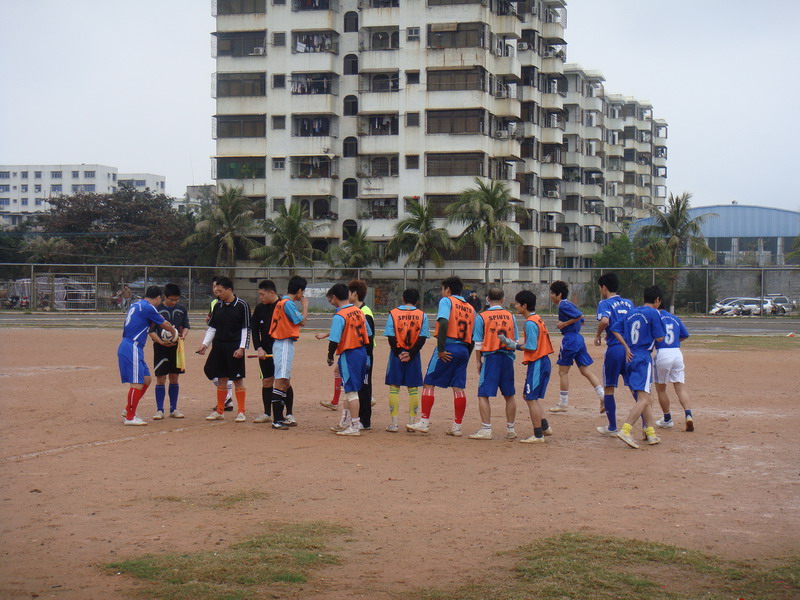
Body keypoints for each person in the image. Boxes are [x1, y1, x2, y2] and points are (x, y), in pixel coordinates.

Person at [407, 275, 475, 436]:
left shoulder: (447, 301)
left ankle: (424, 422)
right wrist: (466, 354)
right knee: (458, 388)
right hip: (464, 349)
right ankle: (457, 427)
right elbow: (473, 336)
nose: (441, 292)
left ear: (448, 290)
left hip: (448, 345)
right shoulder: (471, 308)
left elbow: (443, 322)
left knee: (429, 382)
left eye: (442, 289)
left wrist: (441, 348)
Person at [608, 285, 666, 449]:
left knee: (644, 397)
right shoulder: (654, 313)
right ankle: (626, 430)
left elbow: (614, 329)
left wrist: (626, 346)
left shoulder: (631, 312)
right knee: (644, 399)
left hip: (630, 356)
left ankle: (650, 432)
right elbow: (660, 338)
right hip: (643, 357)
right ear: (657, 300)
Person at [498, 290, 555, 443]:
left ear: (524, 305)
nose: (515, 306)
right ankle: (545, 427)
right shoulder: (536, 319)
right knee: (528, 396)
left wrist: (513, 345)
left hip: (538, 363)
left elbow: (531, 346)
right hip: (541, 362)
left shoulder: (530, 322)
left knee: (531, 398)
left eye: (517, 303)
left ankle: (538, 435)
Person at [117, 286, 179, 426]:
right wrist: (174, 332)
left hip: (133, 346)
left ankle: (128, 409)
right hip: (132, 345)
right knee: (137, 383)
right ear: (158, 298)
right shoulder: (148, 307)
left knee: (146, 380)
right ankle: (130, 417)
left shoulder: (137, 305)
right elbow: (164, 324)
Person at [197, 276, 251, 422]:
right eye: (216, 290)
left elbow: (246, 329)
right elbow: (212, 327)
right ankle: (220, 410)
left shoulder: (242, 305)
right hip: (219, 346)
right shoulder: (217, 305)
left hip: (234, 347)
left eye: (220, 291)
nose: (217, 293)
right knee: (221, 379)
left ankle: (241, 412)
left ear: (229, 290)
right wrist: (205, 344)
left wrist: (242, 348)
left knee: (238, 379)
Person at [468, 288, 519, 441]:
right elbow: (515, 340)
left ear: (488, 299)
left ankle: (486, 429)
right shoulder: (511, 316)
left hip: (491, 358)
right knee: (509, 394)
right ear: (503, 300)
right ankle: (511, 429)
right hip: (507, 358)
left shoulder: (482, 316)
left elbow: (478, 343)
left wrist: (478, 361)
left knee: (483, 394)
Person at [548, 280, 604, 413]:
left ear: (559, 295)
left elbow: (580, 316)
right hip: (578, 339)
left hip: (570, 339)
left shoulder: (563, 305)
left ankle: (563, 403)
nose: (551, 296)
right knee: (585, 370)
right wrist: (570, 323)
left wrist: (564, 324)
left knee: (563, 372)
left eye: (552, 293)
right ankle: (603, 396)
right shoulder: (570, 304)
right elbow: (581, 321)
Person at [325, 283, 371, 436]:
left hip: (349, 353)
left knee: (351, 391)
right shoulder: (359, 311)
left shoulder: (340, 315)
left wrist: (330, 356)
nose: (331, 302)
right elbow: (368, 332)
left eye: (331, 299)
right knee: (349, 389)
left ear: (335, 297)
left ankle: (355, 426)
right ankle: (345, 422)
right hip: (361, 351)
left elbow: (334, 340)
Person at [593, 273, 635, 436]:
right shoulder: (629, 303)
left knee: (609, 388)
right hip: (630, 349)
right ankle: (647, 426)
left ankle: (612, 427)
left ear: (604, 287)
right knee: (636, 388)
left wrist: (598, 335)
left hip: (615, 349)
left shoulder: (604, 303)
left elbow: (604, 321)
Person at [384, 288, 429, 432]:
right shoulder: (422, 315)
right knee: (413, 389)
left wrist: (399, 352)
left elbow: (391, 337)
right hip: (413, 356)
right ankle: (411, 423)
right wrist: (411, 353)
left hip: (396, 355)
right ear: (417, 301)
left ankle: (394, 423)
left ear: (403, 299)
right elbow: (422, 338)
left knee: (394, 387)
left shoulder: (393, 313)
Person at [251, 279, 294, 427]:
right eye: (259, 294)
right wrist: (259, 348)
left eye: (262, 294)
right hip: (265, 351)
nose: (260, 297)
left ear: (272, 292)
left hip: (281, 349)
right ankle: (267, 413)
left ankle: (289, 414)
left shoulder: (283, 305)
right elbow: (254, 330)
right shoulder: (259, 309)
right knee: (267, 381)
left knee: (284, 382)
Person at [269, 275, 308, 429]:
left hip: (283, 343)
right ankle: (277, 419)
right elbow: (302, 321)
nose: (302, 295)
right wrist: (305, 306)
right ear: (299, 290)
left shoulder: (282, 302)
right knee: (281, 380)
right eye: (302, 291)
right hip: (283, 342)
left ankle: (282, 417)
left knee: (285, 381)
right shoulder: (287, 303)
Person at [147, 283, 190, 420]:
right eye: (171, 299)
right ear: (165, 297)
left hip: (176, 348)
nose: (174, 302)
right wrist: (161, 341)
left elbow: (186, 326)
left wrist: (183, 335)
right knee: (161, 378)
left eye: (177, 300)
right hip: (160, 348)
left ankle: (173, 408)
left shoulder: (181, 309)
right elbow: (151, 330)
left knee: (174, 377)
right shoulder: (156, 309)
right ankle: (159, 410)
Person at [653, 297, 695, 431]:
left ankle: (667, 419)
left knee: (661, 389)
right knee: (680, 388)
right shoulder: (674, 318)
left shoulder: (655, 317)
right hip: (676, 352)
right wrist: (675, 341)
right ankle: (688, 414)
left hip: (662, 353)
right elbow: (685, 334)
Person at [207, 275, 234, 412]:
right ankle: (227, 399)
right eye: (213, 287)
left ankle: (227, 398)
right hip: (217, 342)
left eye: (217, 288)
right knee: (213, 371)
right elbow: (213, 322)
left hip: (230, 343)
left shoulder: (237, 304)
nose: (215, 290)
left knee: (227, 373)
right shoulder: (215, 303)